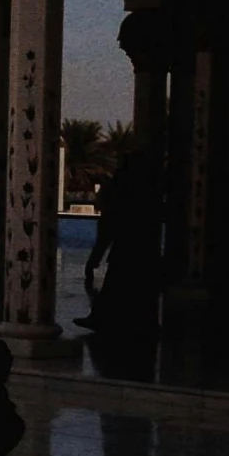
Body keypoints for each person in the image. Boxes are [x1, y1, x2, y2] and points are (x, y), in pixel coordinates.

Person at [77, 146, 161, 351]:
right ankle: (140, 325)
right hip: (143, 251)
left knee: (117, 286)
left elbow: (108, 227)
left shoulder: (122, 188)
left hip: (125, 251)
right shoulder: (148, 190)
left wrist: (94, 259)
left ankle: (106, 320)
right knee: (139, 290)